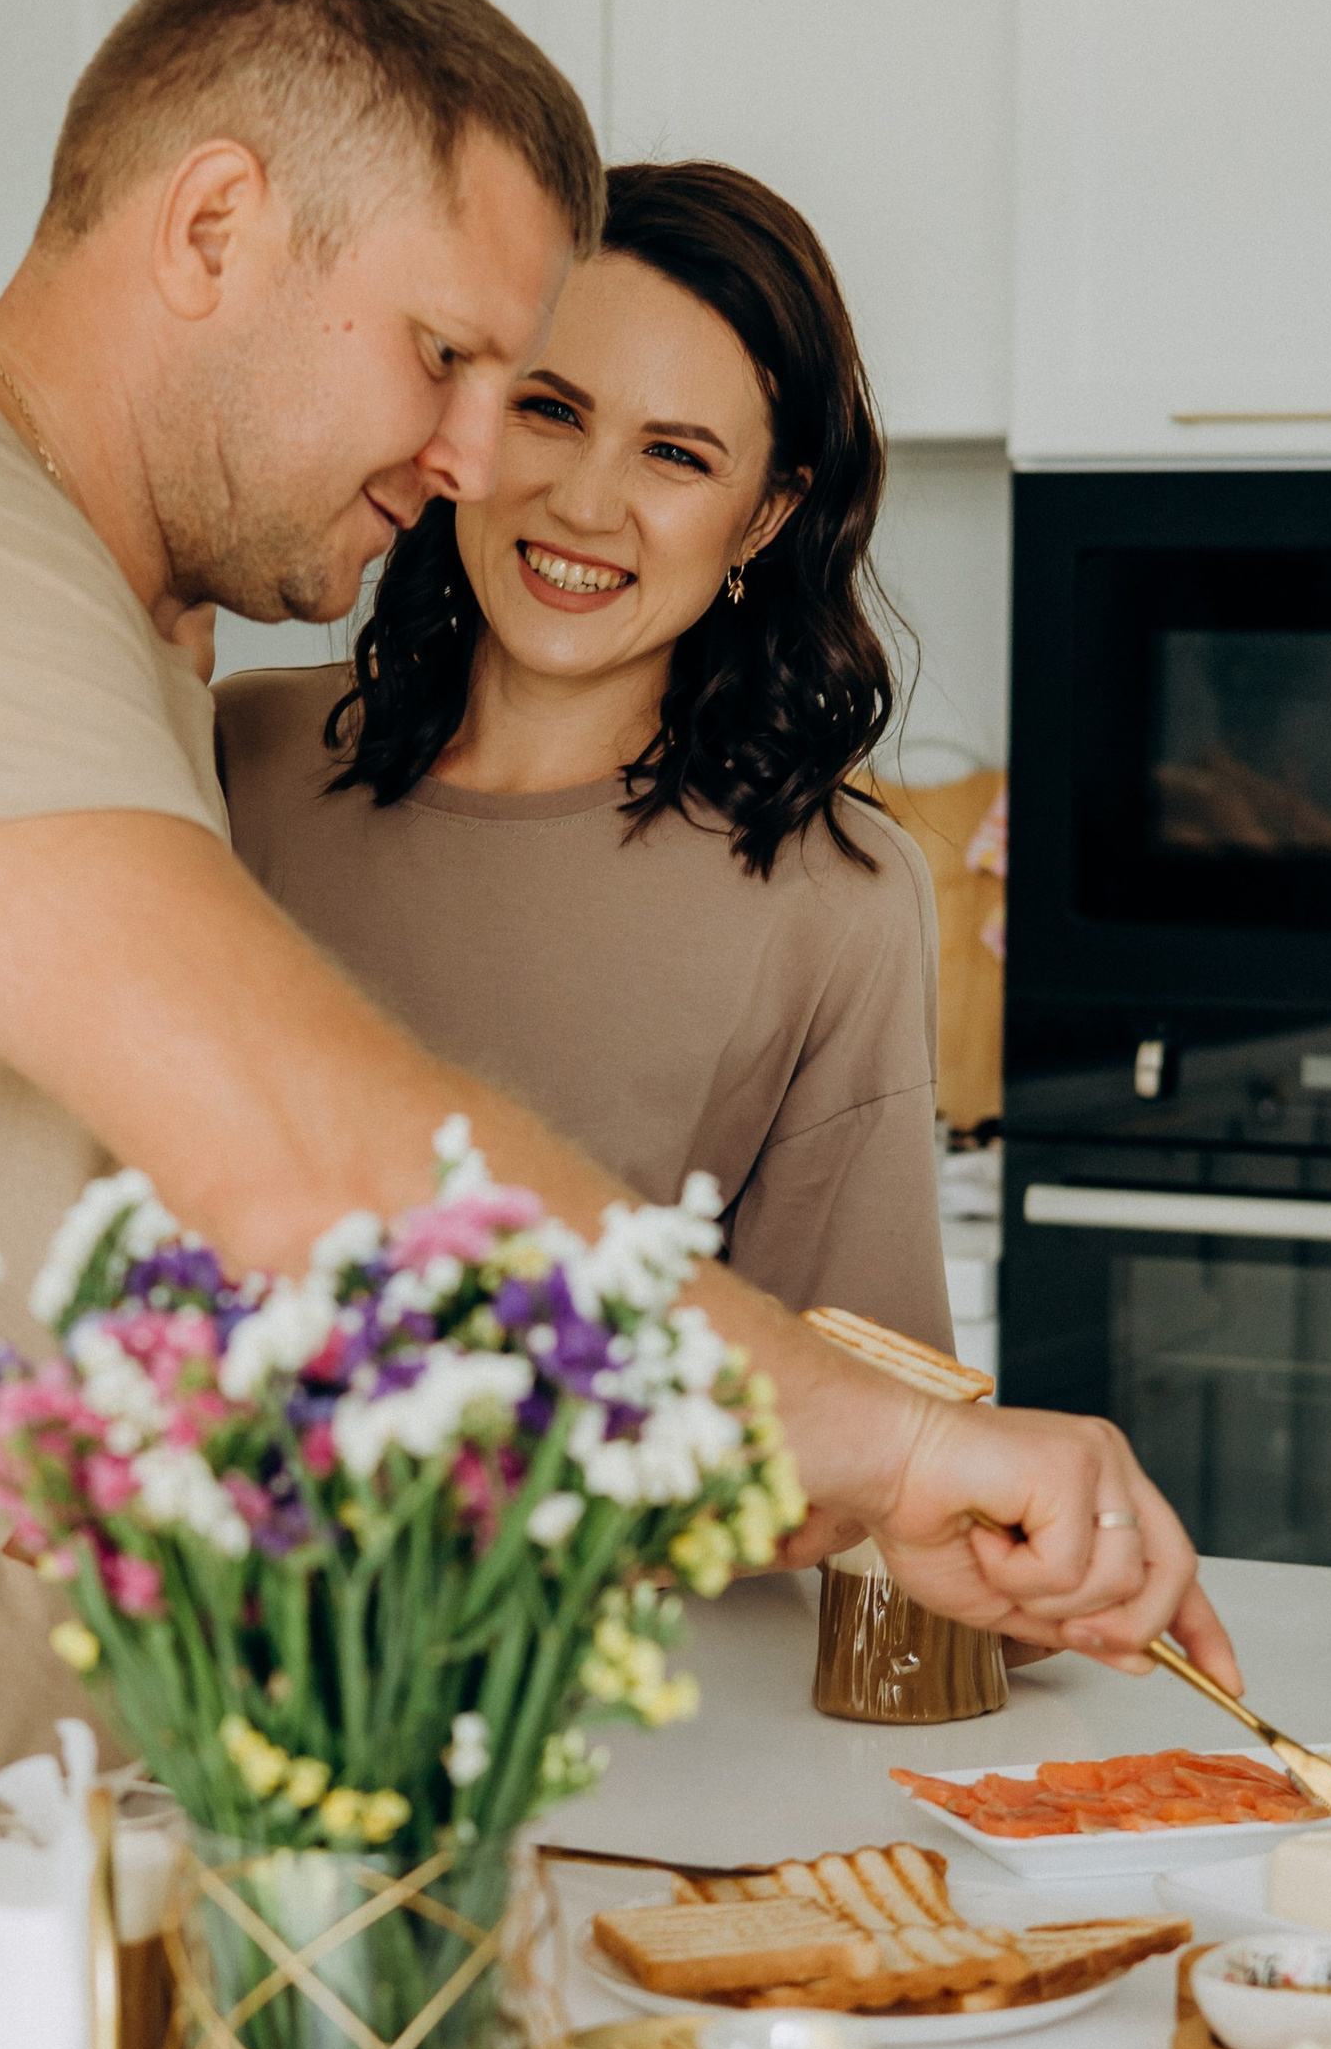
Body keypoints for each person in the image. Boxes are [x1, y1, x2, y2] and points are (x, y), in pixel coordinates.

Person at [0, 0, 1234, 2015]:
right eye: (450, 359)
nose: (485, 462)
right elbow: (313, 1168)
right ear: (214, 227)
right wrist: (903, 1452)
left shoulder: (116, 653)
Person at [219, 159, 952, 1350]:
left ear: (763, 517)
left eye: (675, 455)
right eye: (550, 411)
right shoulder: (243, 760)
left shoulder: (836, 900)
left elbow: (854, 1408)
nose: (584, 504)